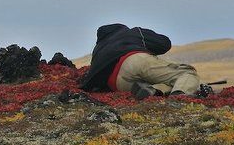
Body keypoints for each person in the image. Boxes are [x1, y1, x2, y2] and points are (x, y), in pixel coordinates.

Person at [79, 23, 208, 100]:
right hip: (135, 60)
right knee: (187, 73)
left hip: (117, 83)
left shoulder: (98, 51)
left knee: (171, 84)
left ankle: (153, 90)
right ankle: (180, 98)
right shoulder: (131, 33)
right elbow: (164, 44)